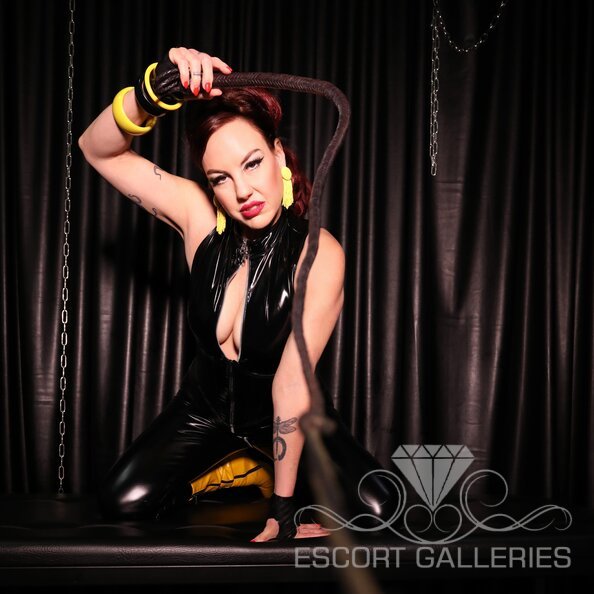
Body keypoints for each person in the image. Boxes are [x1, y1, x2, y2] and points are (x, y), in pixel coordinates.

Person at [79, 47, 392, 542]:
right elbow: (98, 150)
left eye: (251, 163)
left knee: (378, 508)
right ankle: (237, 468)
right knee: (123, 500)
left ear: (277, 154)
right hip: (202, 408)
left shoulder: (319, 252)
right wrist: (150, 93)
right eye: (220, 178)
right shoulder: (197, 217)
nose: (242, 190)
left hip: (284, 414)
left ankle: (268, 469)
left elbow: (290, 385)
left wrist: (283, 508)